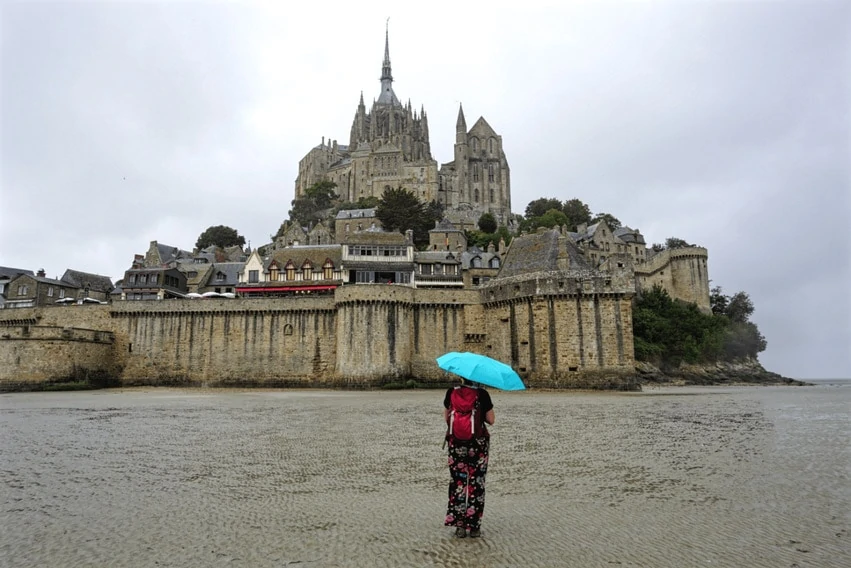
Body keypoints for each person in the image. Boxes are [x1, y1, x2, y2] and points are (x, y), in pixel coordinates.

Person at [443, 378, 495, 538]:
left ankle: (459, 526)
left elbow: (446, 418)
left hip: (456, 443)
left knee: (458, 483)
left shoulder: (451, 392)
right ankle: (474, 527)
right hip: (477, 444)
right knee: (476, 483)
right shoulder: (482, 394)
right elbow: (491, 420)